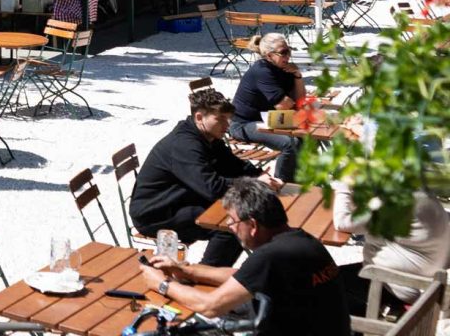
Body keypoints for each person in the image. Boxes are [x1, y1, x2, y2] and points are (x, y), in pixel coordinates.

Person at [139, 177, 349, 336]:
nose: (230, 227)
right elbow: (243, 276)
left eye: (232, 221)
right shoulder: (300, 240)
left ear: (253, 225)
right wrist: (186, 270)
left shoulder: (270, 256)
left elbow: (210, 306)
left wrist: (162, 284)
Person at [129, 87, 278, 267]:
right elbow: (212, 188)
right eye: (220, 119)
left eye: (228, 119)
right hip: (157, 212)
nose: (227, 125)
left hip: (184, 199)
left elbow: (233, 164)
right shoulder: (185, 144)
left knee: (248, 212)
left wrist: (260, 174)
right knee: (231, 224)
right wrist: (254, 183)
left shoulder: (207, 136)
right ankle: (205, 275)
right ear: (199, 117)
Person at [332, 183, 450, 317]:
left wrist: (342, 188)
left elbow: (343, 223)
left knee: (322, 283)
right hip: (419, 280)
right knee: (328, 274)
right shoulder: (422, 193)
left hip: (390, 284)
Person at [230, 32, 306, 182]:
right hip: (244, 123)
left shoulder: (285, 68)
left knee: (307, 135)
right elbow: (284, 106)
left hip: (268, 118)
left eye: (289, 50)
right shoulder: (262, 71)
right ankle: (282, 183)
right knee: (291, 143)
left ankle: (300, 178)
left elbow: (299, 100)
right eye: (283, 52)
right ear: (269, 55)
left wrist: (297, 75)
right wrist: (294, 105)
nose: (288, 56)